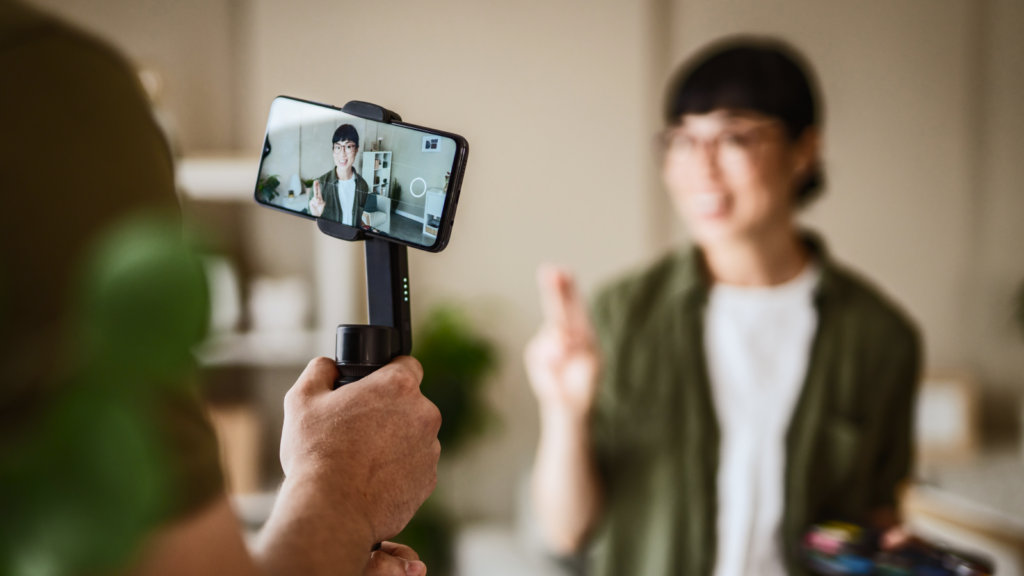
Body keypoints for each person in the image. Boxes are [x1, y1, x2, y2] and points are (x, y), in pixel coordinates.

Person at [0, 2, 439, 575]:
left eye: (350, 148)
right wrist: (343, 482)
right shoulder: (45, 82)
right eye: (339, 148)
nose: (344, 154)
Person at [526, 39, 921, 576]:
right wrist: (565, 413)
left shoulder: (882, 338)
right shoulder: (621, 314)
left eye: (735, 138)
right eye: (683, 140)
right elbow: (566, 530)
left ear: (804, 150)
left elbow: (876, 515)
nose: (701, 167)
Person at [309, 124, 370, 226]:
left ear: (357, 149)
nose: (342, 154)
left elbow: (356, 220)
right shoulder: (320, 186)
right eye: (337, 147)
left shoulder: (363, 185)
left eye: (348, 146)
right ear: (333, 150)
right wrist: (315, 216)